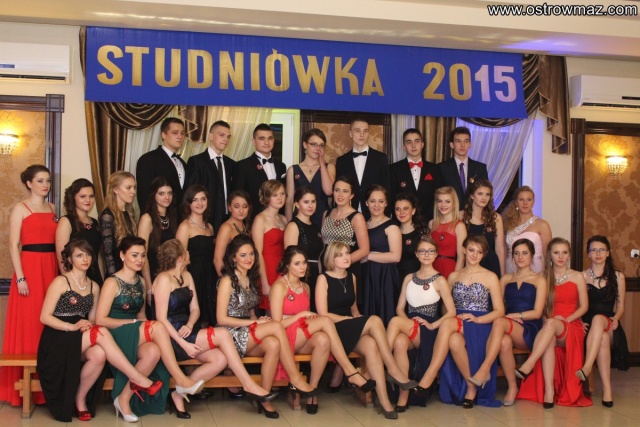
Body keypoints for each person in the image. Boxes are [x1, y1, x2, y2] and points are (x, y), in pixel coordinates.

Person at [38, 239, 161, 422]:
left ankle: (79, 399)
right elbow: (44, 317)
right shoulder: (61, 282)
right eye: (79, 255)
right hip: (57, 337)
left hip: (79, 336)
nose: (85, 259)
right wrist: (72, 326)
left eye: (88, 254)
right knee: (101, 332)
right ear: (70, 259)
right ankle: (137, 378)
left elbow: (94, 319)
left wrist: (86, 325)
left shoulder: (94, 286)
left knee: (99, 354)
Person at [153, 239, 277, 419]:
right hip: (170, 337)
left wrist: (190, 324)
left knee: (220, 359)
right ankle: (248, 384)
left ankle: (178, 394)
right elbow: (161, 319)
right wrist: (184, 344)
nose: (189, 253)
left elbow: (195, 309)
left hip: (188, 330)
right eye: (186, 251)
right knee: (223, 333)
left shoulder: (186, 276)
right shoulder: (163, 279)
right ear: (180, 257)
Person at [95, 236, 205, 421]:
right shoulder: (112, 282)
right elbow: (100, 320)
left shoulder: (141, 282)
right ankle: (181, 379)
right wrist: (133, 324)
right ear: (122, 255)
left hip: (134, 332)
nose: (140, 259)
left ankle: (123, 399)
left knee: (153, 351)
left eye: (143, 255)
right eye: (134, 255)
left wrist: (144, 327)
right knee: (159, 325)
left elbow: (141, 316)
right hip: (113, 335)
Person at [216, 234, 318, 419]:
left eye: (251, 254)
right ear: (233, 258)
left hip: (247, 331)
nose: (249, 258)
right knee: (276, 327)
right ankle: (295, 378)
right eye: (243, 255)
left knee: (273, 343)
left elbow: (250, 312)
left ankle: (264, 397)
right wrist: (254, 323)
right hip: (229, 335)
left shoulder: (250, 279)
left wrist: (258, 319)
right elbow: (221, 319)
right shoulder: (227, 281)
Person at [316, 241, 419, 420]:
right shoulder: (323, 279)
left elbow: (354, 309)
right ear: (331, 259)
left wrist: (358, 319)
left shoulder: (351, 277)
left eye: (347, 253)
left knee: (372, 346)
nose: (346, 257)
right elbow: (323, 314)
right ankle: (393, 369)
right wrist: (351, 320)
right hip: (333, 328)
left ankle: (385, 403)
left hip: (350, 326)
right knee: (375, 320)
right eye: (340, 255)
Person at [269, 246, 376, 414]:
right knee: (325, 320)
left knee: (323, 340)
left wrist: (306, 318)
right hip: (284, 336)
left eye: (304, 262)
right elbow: (276, 325)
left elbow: (307, 321)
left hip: (301, 336)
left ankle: (312, 391)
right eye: (297, 263)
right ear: (287, 265)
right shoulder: (279, 286)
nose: (302, 267)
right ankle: (349, 371)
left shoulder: (305, 287)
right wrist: (300, 315)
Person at [412, 235, 504, 408]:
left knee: (447, 324)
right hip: (457, 322)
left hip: (480, 323)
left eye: (479, 252)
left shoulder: (490, 276)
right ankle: (471, 387)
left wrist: (477, 318)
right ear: (463, 250)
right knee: (454, 340)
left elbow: (500, 311)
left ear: (484, 254)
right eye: (471, 250)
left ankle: (429, 375)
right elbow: (446, 308)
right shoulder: (453, 276)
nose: (474, 255)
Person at [0, 164, 58, 406]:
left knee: (49, 324)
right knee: (31, 323)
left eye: (48, 180)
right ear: (29, 183)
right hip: (30, 269)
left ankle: (46, 388)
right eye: (40, 180)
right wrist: (21, 277)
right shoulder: (20, 209)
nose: (45, 185)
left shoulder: (52, 208)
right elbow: (13, 245)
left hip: (51, 267)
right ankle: (25, 390)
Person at [468, 238, 547, 406]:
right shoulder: (505, 279)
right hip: (508, 325)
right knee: (504, 342)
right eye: (516, 253)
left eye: (524, 253)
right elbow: (499, 307)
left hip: (529, 327)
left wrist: (516, 316)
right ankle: (512, 387)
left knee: (500, 322)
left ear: (532, 255)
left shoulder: (539, 280)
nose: (520, 257)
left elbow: (538, 312)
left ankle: (485, 369)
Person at [515, 237, 591, 408]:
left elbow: (584, 306)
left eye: (564, 252)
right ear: (550, 255)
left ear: (569, 255)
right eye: (556, 253)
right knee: (549, 331)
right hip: (549, 326)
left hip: (571, 325)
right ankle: (549, 391)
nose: (561, 256)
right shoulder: (543, 277)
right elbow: (540, 307)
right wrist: (545, 319)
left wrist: (567, 319)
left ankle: (529, 364)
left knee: (550, 324)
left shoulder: (577, 276)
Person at [386, 236, 456, 411]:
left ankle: (382, 363)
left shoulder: (440, 280)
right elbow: (400, 308)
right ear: (416, 254)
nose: (426, 254)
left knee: (395, 321)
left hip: (427, 329)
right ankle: (403, 397)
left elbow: (452, 312)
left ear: (436, 254)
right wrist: (407, 322)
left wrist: (433, 325)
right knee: (399, 342)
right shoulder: (409, 278)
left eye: (430, 251)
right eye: (422, 251)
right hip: (410, 324)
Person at [577, 235, 628, 407]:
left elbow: (620, 306)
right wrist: (579, 321)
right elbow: (576, 305)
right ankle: (607, 390)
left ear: (608, 253)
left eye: (601, 250)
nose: (598, 253)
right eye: (594, 250)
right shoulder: (581, 276)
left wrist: (616, 318)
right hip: (588, 326)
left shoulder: (618, 276)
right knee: (603, 339)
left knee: (599, 320)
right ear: (588, 254)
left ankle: (587, 367)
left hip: (610, 322)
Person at [321, 176, 370, 304]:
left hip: (347, 270)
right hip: (327, 268)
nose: (340, 194)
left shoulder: (357, 217)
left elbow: (364, 250)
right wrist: (330, 265)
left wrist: (342, 263)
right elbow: (323, 244)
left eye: (345, 191)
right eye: (337, 190)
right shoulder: (326, 214)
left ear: (352, 195)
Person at [176, 185, 217, 327]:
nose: (200, 203)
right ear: (188, 203)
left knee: (211, 318)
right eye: (195, 200)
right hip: (194, 276)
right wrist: (186, 283)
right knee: (198, 319)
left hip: (210, 276)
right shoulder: (184, 227)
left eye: (203, 199)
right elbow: (180, 259)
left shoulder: (209, 227)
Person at [185, 120, 236, 231]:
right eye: (221, 135)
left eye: (228, 137)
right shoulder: (197, 161)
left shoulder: (231, 164)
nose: (225, 139)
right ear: (211, 136)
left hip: (228, 218)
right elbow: (191, 193)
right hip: (205, 218)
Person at [362, 185, 401, 325]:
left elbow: (396, 256)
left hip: (385, 276)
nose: (376, 205)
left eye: (380, 201)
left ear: (386, 203)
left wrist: (367, 256)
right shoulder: (363, 224)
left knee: (385, 314)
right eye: (372, 201)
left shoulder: (392, 226)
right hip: (367, 275)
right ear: (366, 203)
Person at [335, 118, 390, 218]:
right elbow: (338, 190)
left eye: (365, 131)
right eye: (357, 131)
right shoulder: (341, 161)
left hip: (375, 214)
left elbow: (386, 188)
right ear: (350, 133)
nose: (362, 135)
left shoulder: (381, 158)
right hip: (348, 214)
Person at [138, 177, 178, 308]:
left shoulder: (172, 217)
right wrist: (149, 286)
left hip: (171, 274)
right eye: (161, 193)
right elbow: (142, 254)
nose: (167, 197)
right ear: (153, 195)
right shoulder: (147, 218)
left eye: (169, 193)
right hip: (153, 274)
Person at [55, 178, 103, 286]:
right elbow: (61, 256)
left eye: (91, 196)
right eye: (83, 196)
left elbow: (98, 256)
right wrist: (70, 284)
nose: (88, 200)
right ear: (73, 198)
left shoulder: (95, 222)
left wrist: (102, 279)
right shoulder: (66, 221)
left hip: (95, 278)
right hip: (74, 279)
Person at [285, 128, 335, 229]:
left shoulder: (329, 167)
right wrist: (289, 225)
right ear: (305, 145)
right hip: (300, 218)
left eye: (321, 145)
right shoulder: (293, 169)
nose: (318, 148)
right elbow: (289, 201)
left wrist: (322, 163)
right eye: (314, 144)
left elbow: (329, 191)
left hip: (322, 217)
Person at [234, 123, 286, 218]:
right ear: (253, 141)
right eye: (262, 139)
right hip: (252, 219)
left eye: (270, 138)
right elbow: (239, 197)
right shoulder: (243, 166)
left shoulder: (281, 166)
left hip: (278, 219)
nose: (267, 142)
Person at [389, 128, 442, 222]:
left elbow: (438, 197)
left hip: (429, 222)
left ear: (422, 144)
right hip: (402, 222)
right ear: (404, 146)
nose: (413, 145)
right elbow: (391, 198)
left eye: (417, 141)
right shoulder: (393, 169)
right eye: (409, 142)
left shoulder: (435, 169)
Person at [284, 186, 323, 311]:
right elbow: (290, 258)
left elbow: (318, 257)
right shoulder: (293, 225)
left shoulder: (316, 227)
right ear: (297, 204)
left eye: (313, 201)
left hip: (315, 275)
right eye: (306, 202)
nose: (310, 205)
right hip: (300, 276)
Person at [136, 117, 187, 211]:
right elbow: (144, 196)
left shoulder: (183, 163)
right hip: (156, 218)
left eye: (182, 133)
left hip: (180, 218)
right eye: (175, 133)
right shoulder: (148, 159)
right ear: (163, 135)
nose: (180, 136)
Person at [251, 180, 287, 312]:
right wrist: (264, 283)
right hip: (268, 268)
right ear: (267, 197)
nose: (280, 198)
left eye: (282, 194)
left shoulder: (284, 219)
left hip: (283, 267)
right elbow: (257, 252)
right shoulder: (260, 219)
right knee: (271, 309)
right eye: (275, 195)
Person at [503, 186, 552, 274]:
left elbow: (548, 255)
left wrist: (547, 275)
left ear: (533, 202)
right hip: (510, 270)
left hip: (534, 271)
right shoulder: (507, 224)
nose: (525, 203)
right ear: (516, 202)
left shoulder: (542, 225)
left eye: (529, 199)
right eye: (521, 199)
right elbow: (504, 252)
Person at [462, 178, 505, 278]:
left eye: (487, 194)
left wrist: (502, 275)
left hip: (490, 264)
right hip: (468, 264)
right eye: (480, 194)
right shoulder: (462, 216)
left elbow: (500, 248)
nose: (484, 198)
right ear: (472, 195)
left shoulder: (496, 218)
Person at [437, 126, 488, 206]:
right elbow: (438, 196)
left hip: (473, 212)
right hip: (451, 212)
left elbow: (485, 192)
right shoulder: (441, 168)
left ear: (470, 144)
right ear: (452, 145)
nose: (462, 145)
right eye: (458, 141)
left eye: (466, 141)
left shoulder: (480, 168)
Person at [100, 171, 137, 277]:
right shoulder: (107, 215)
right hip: (117, 272)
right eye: (128, 188)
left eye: (134, 187)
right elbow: (108, 253)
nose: (133, 192)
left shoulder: (129, 213)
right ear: (115, 189)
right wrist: (114, 278)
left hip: (131, 270)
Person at [429, 186, 466, 278]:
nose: (443, 205)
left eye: (447, 201)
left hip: (450, 271)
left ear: (454, 203)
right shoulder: (431, 224)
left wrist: (454, 279)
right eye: (440, 201)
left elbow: (461, 258)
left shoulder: (459, 226)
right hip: (431, 269)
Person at [213, 190, 252, 276]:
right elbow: (217, 259)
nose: (241, 211)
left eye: (244, 206)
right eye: (236, 206)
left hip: (245, 275)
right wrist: (226, 280)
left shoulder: (246, 226)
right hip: (230, 275)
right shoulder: (226, 228)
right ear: (230, 208)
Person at [394, 193, 430, 280]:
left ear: (413, 210)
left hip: (417, 279)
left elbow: (428, 260)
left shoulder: (422, 233)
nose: (401, 212)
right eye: (398, 209)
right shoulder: (392, 231)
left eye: (406, 208)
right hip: (395, 279)